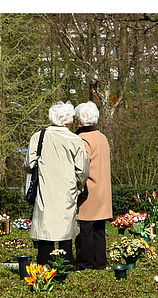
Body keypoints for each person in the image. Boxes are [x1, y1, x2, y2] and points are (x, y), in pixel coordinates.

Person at [23, 101, 89, 266]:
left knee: (46, 230)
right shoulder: (74, 139)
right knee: (65, 231)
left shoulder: (39, 137)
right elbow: (82, 170)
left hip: (45, 190)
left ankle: (44, 265)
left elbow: (29, 165)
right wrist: (79, 187)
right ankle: (65, 266)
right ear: (69, 120)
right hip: (67, 191)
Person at [74, 101, 113, 270]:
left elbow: (81, 167)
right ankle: (100, 263)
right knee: (99, 232)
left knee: (85, 232)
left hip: (88, 192)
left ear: (79, 121)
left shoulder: (82, 139)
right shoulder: (102, 137)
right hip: (103, 192)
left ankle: (86, 264)